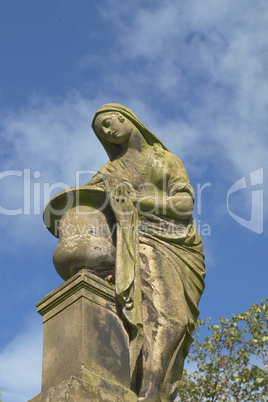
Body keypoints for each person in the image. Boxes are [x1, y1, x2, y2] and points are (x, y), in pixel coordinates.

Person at [87, 103, 205, 401]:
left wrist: (140, 199)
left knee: (177, 321)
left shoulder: (164, 160)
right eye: (101, 130)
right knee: (157, 317)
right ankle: (147, 390)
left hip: (181, 247)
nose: (108, 131)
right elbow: (86, 201)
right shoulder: (110, 171)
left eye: (109, 122)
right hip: (140, 240)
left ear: (126, 119)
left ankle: (156, 388)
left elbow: (185, 205)